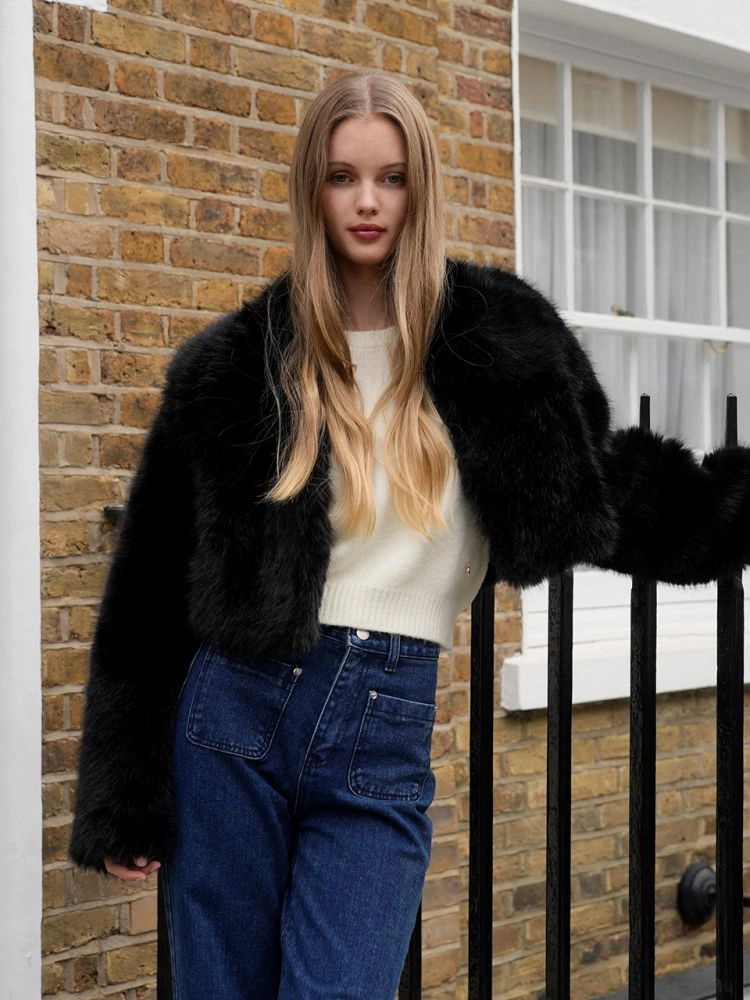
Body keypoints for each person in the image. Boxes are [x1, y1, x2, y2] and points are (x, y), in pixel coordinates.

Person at [69, 70, 750, 999]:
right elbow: (147, 590)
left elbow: (614, 497)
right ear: (313, 189)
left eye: (391, 178)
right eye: (343, 177)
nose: (367, 201)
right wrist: (122, 795)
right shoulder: (233, 366)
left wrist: (732, 508)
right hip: (234, 718)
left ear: (419, 188)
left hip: (384, 725)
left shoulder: (502, 342)